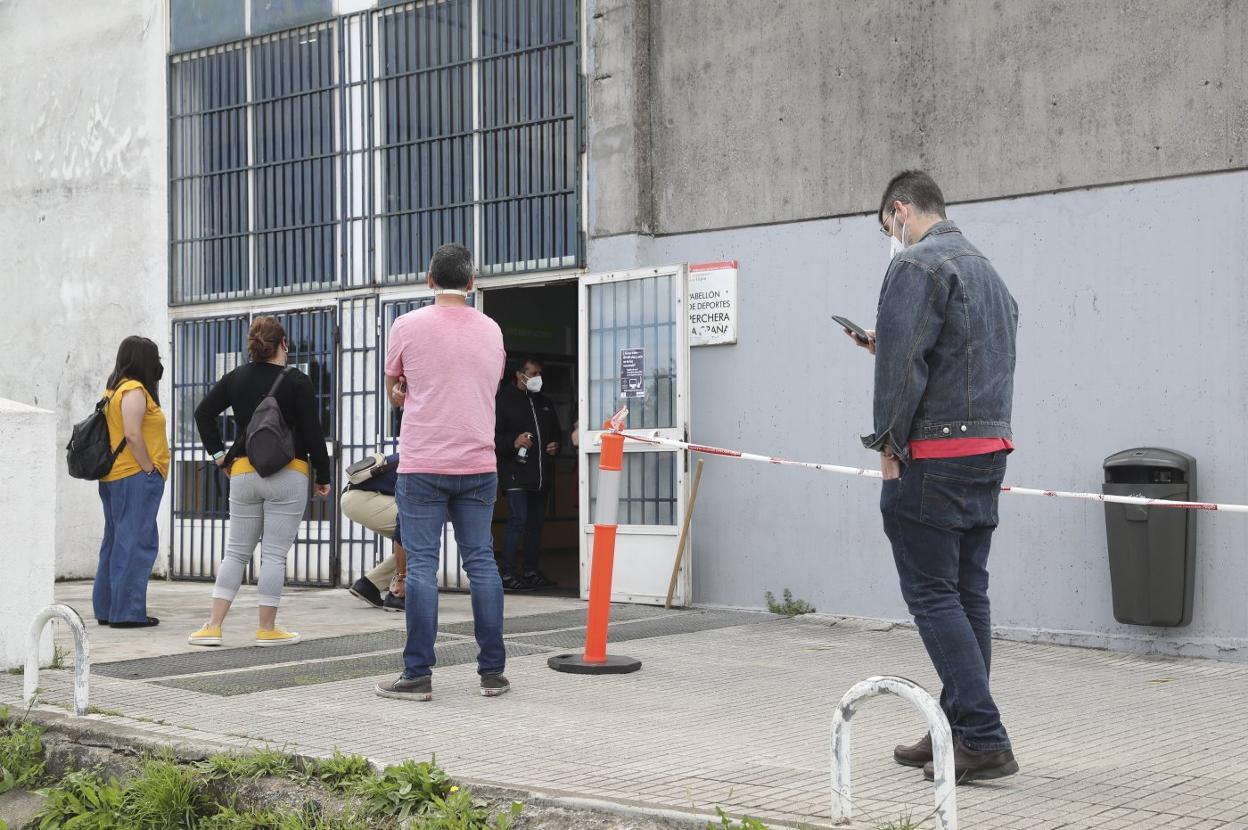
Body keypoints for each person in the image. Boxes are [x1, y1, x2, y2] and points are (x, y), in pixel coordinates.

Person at [849, 170, 1020, 783]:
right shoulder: (988, 272)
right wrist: (889, 343)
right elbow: (962, 357)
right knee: (968, 592)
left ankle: (983, 736)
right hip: (987, 451)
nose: (889, 238)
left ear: (899, 210)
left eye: (886, 226)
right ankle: (954, 724)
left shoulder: (916, 265)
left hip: (933, 458)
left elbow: (902, 371)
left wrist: (889, 446)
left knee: (932, 594)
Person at [375, 243, 508, 701]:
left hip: (423, 463)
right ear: (471, 282)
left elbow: (395, 385)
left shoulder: (406, 326)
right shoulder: (492, 330)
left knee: (421, 568)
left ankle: (417, 676)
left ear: (429, 280)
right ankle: (492, 672)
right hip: (478, 462)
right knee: (482, 563)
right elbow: (485, 384)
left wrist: (403, 392)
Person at [188, 316, 332, 648]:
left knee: (236, 552)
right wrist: (322, 476)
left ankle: (212, 626)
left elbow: (202, 413)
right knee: (274, 555)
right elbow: (313, 433)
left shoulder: (236, 378)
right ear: (284, 344)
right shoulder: (298, 381)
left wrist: (217, 455)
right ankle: (267, 629)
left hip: (243, 472)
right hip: (289, 473)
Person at [94, 336, 170, 628]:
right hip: (135, 476)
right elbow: (133, 434)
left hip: (117, 477)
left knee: (115, 542)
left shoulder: (113, 390)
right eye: (155, 358)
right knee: (137, 542)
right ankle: (127, 612)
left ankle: (108, 608)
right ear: (143, 360)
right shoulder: (134, 390)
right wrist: (150, 469)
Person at [494, 356, 563, 590]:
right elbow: (491, 438)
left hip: (540, 474)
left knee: (535, 524)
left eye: (539, 374)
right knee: (517, 521)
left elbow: (557, 434)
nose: (537, 379)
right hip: (515, 472)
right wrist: (512, 443)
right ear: (519, 375)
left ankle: (531, 571)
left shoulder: (544, 403)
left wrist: (556, 446)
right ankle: (507, 573)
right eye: (533, 374)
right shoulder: (503, 401)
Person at [342, 453, 406, 612]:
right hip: (365, 498)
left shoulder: (419, 451)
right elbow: (407, 517)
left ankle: (369, 586)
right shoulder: (428, 461)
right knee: (419, 529)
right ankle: (397, 596)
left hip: (356, 497)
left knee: (421, 538)